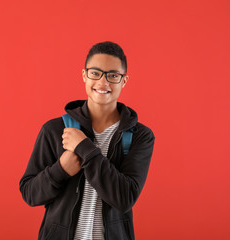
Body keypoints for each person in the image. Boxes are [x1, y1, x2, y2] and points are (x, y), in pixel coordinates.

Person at [19, 41, 155, 240]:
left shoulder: (140, 136)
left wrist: (85, 148)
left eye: (113, 75)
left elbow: (125, 198)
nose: (103, 82)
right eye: (95, 73)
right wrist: (61, 170)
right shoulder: (55, 129)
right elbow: (30, 194)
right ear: (84, 75)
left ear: (124, 81)